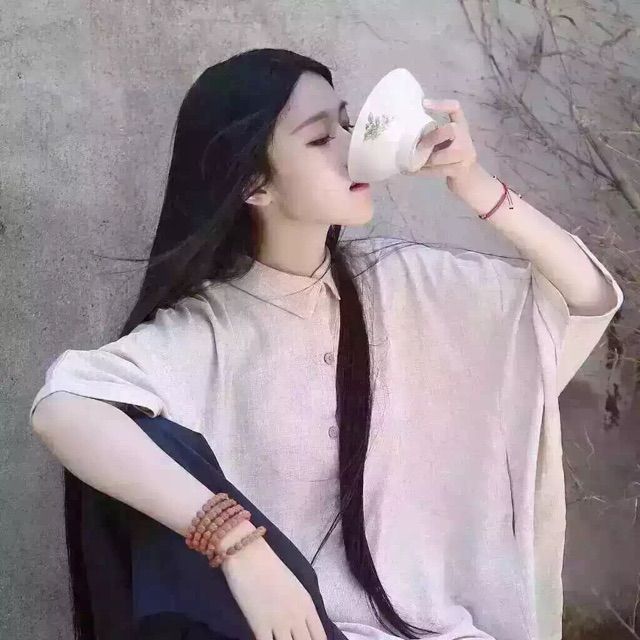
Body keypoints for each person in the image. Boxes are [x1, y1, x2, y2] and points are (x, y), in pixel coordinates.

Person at [29, 47, 624, 640]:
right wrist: (237, 545)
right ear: (254, 184)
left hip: (433, 629)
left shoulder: (403, 282)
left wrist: (474, 184)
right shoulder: (205, 330)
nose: (351, 144)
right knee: (153, 445)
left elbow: (586, 296)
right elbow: (63, 408)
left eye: (347, 122)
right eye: (320, 138)